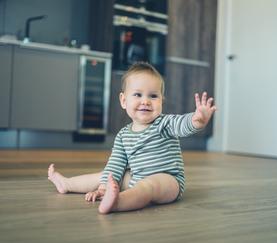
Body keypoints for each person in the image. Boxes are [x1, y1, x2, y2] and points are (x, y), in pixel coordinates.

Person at [48, 62, 216, 214]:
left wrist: (197, 120)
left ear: (161, 102)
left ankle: (118, 202)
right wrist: (104, 187)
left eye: (153, 96)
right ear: (123, 100)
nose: (146, 101)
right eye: (137, 95)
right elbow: (116, 163)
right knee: (108, 175)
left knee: (148, 186)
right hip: (137, 177)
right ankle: (67, 184)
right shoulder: (123, 135)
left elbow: (182, 124)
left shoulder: (165, 123)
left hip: (168, 181)